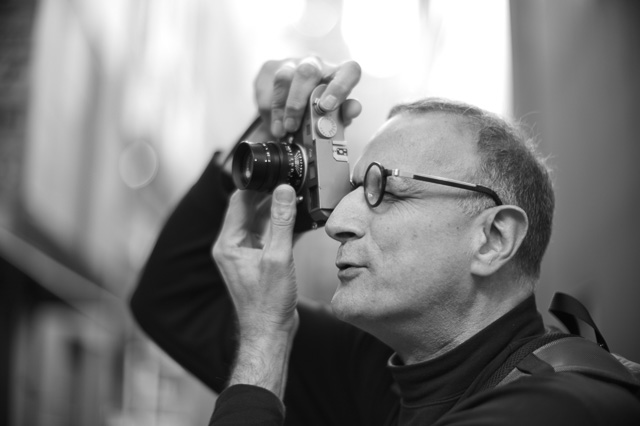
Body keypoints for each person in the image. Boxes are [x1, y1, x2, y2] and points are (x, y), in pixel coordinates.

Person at [129, 57, 640, 425]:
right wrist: (265, 143)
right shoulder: (388, 365)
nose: (336, 223)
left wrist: (265, 341)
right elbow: (173, 299)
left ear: (493, 239)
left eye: (384, 190)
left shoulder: (559, 406)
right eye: (351, 187)